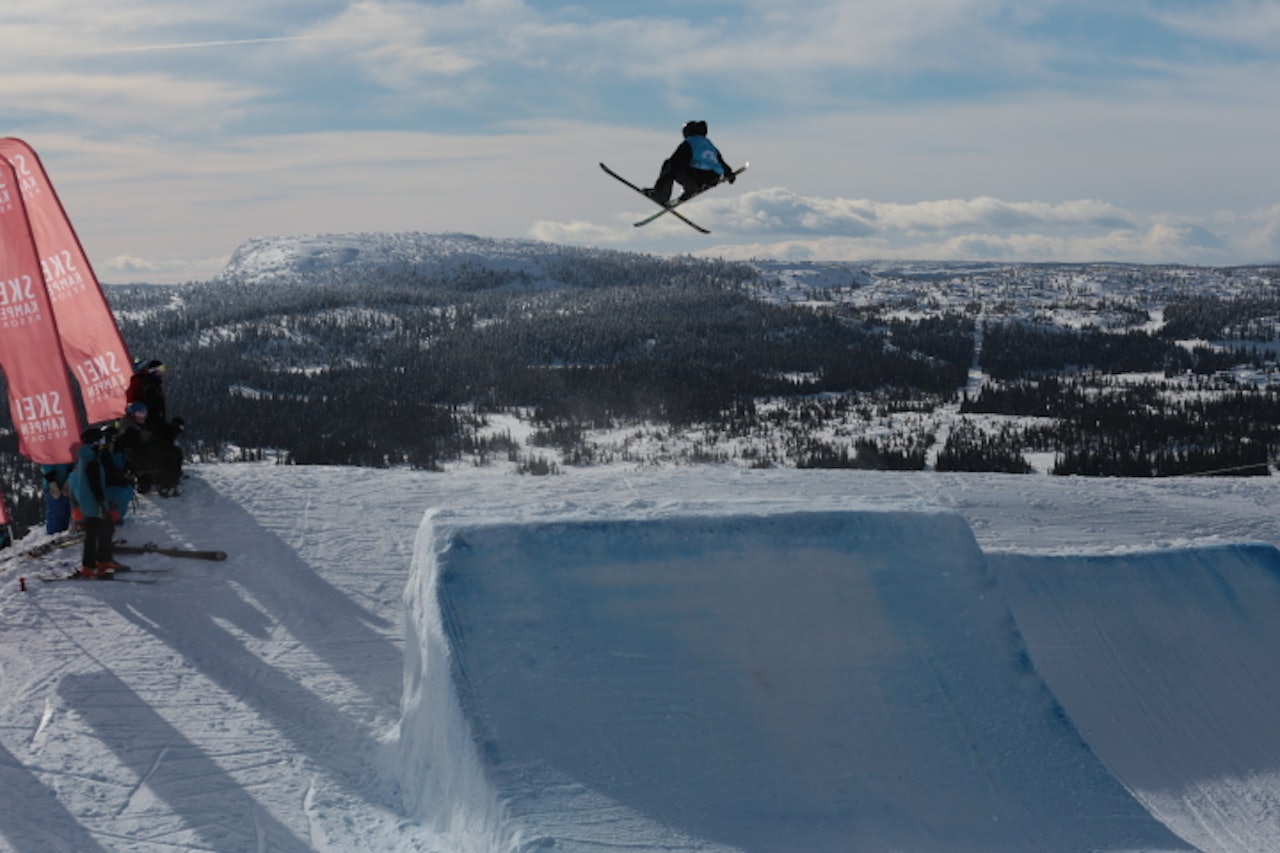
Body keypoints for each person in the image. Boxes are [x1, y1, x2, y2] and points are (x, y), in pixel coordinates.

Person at [67, 425, 128, 578]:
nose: (103, 443)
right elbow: (94, 483)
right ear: (95, 442)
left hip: (90, 501)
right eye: (101, 440)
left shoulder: (87, 456)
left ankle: (102, 561)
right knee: (96, 531)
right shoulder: (91, 459)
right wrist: (100, 501)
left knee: (105, 528)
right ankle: (90, 565)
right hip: (93, 502)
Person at [644, 120, 736, 206]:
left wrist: (662, 184)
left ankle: (660, 195)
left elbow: (675, 164)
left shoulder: (689, 143)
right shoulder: (709, 145)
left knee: (668, 164)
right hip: (713, 178)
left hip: (696, 179)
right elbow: (721, 162)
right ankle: (689, 190)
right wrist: (729, 174)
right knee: (687, 167)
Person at [40, 460, 75, 534]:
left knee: (67, 511)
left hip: (66, 481)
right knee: (56, 511)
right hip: (53, 484)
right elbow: (45, 461)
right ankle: (53, 533)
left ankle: (63, 532)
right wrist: (51, 481)